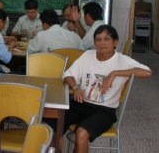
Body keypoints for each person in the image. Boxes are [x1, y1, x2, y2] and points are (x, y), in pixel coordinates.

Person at [63, 25, 152, 153]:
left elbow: (147, 73)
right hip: (80, 103)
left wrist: (115, 73)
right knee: (54, 123)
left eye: (107, 39)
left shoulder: (123, 60)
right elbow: (68, 74)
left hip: (104, 111)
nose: (102, 43)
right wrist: (75, 87)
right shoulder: (88, 55)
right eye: (98, 39)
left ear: (115, 42)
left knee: (81, 133)